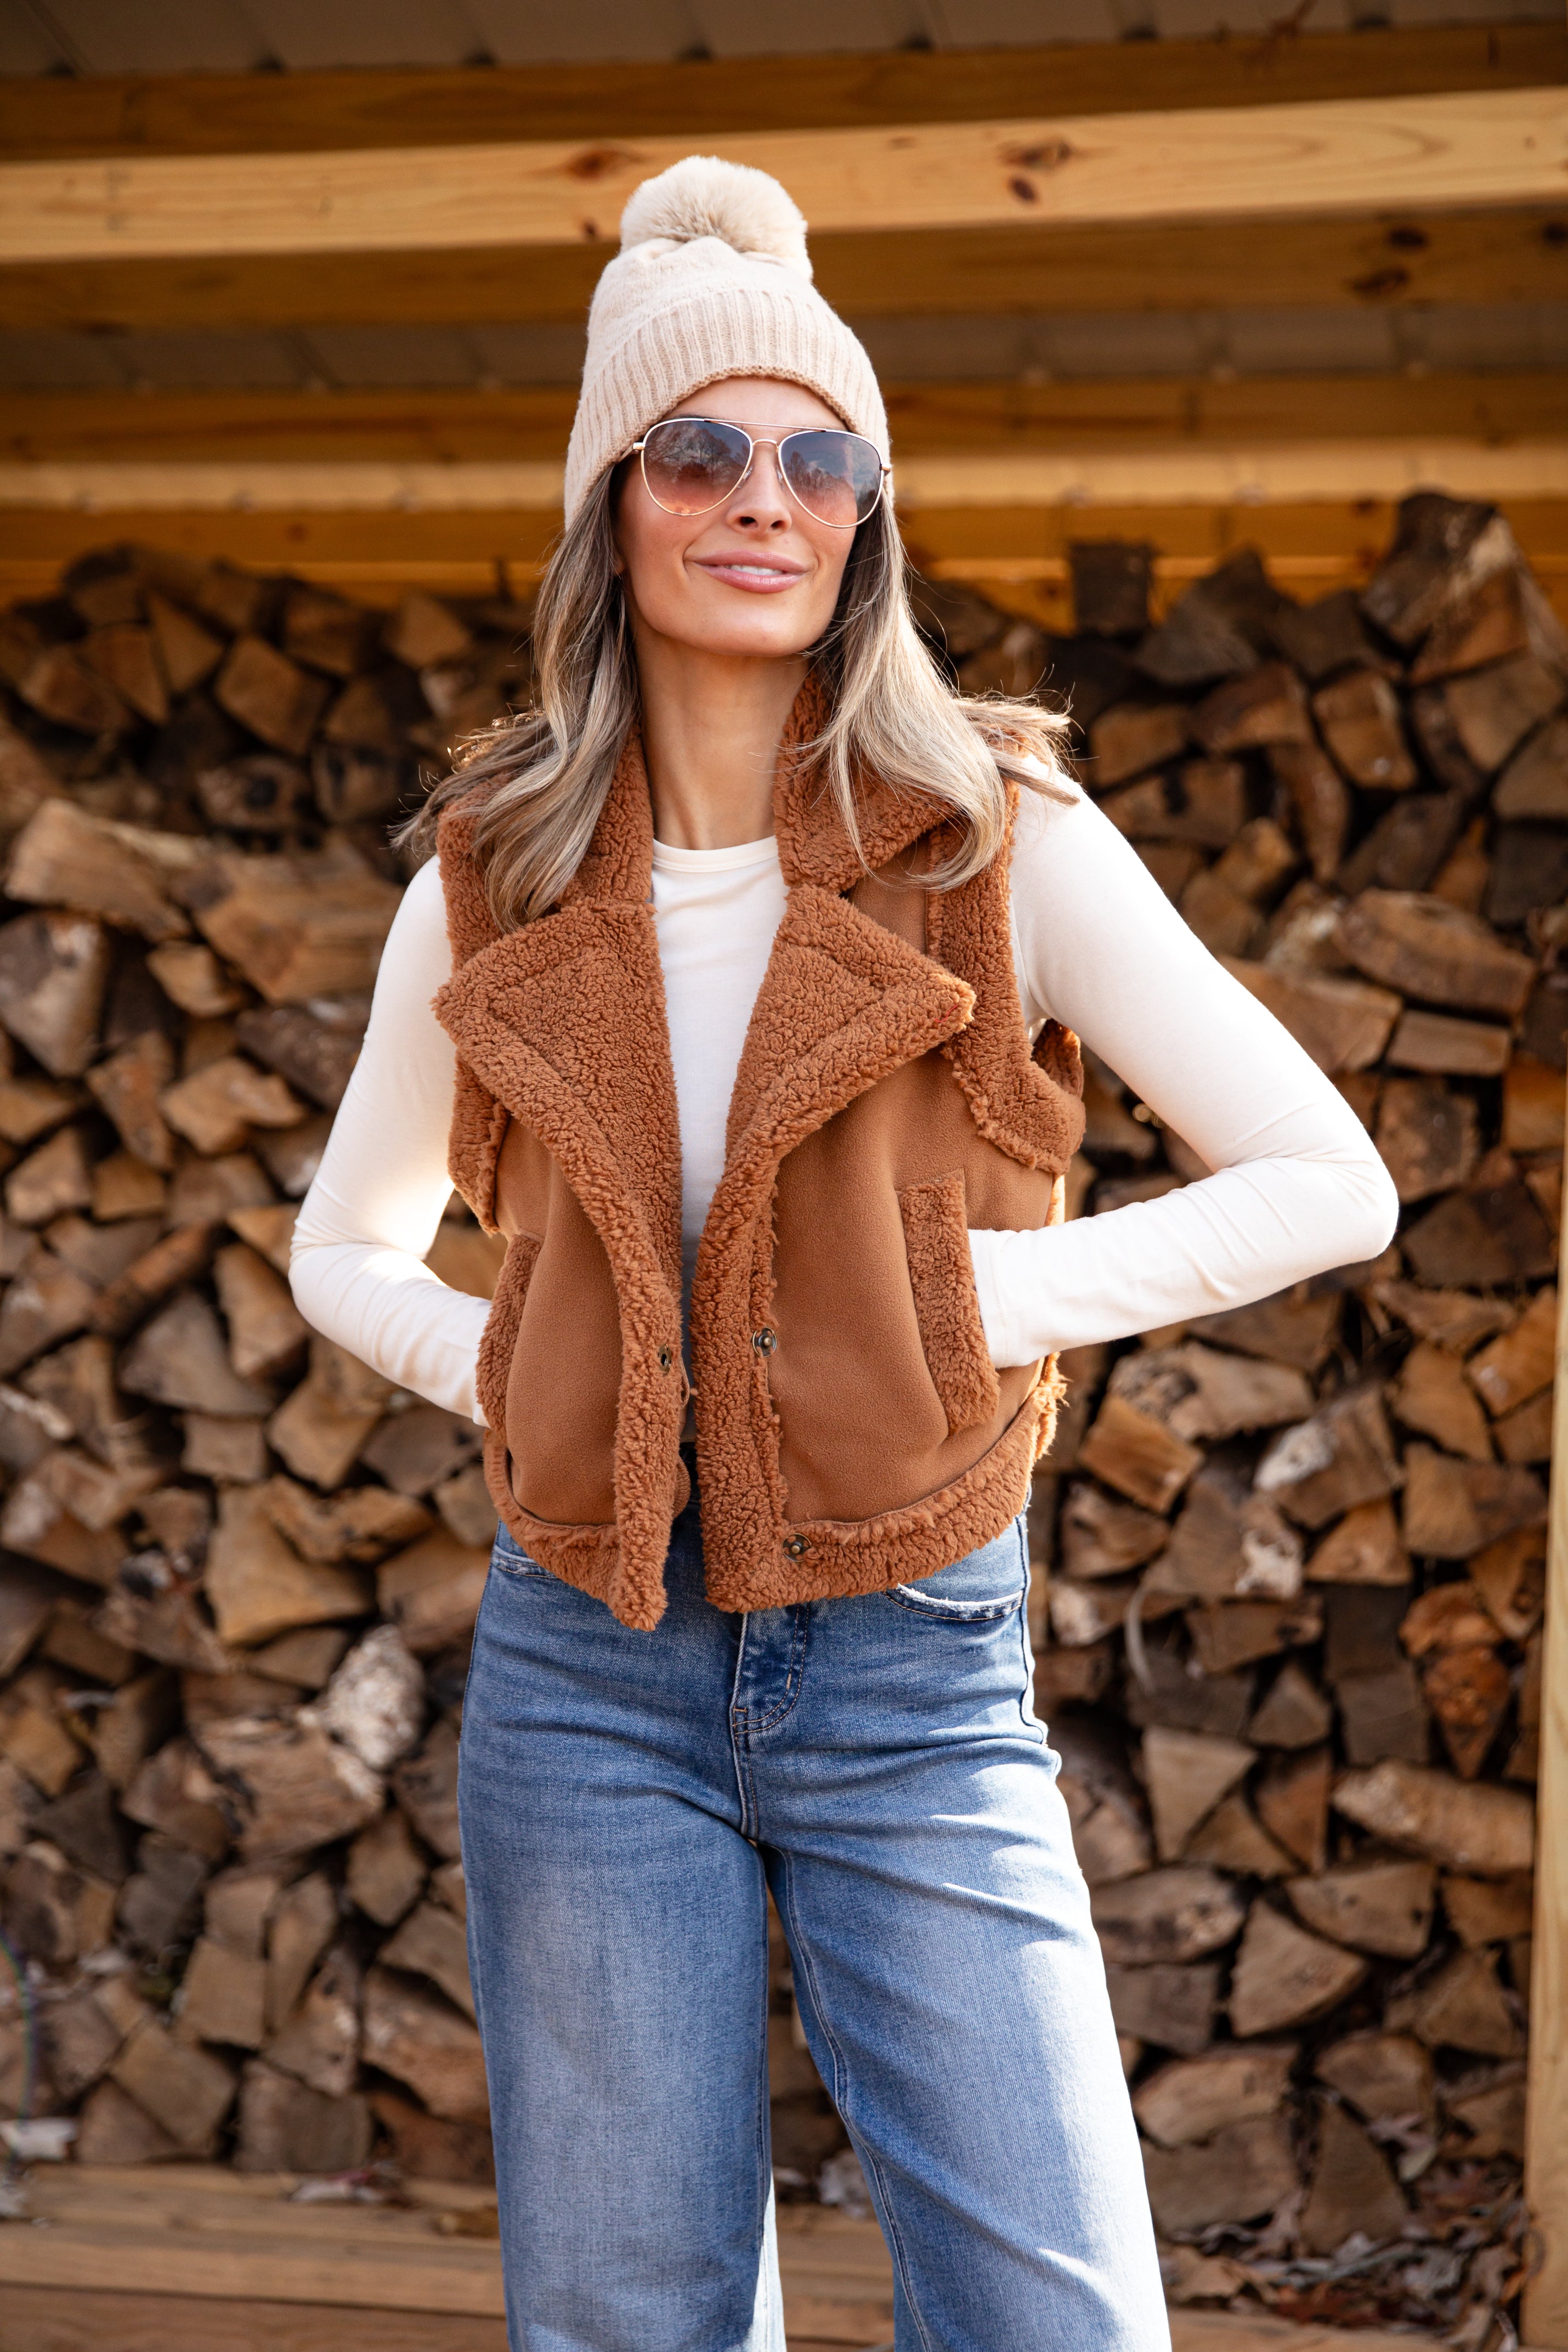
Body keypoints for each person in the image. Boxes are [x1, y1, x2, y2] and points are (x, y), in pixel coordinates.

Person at [290, 155, 1398, 2352]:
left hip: (911, 1662)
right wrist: (530, 1372)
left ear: (867, 511)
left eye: (820, 455)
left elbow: (1325, 1177)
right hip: (584, 1671)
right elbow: (346, 1245)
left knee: (1054, 2316)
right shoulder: (491, 877)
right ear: (611, 501)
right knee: (632, 2320)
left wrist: (963, 1305)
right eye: (697, 449)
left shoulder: (993, 838)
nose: (762, 497)